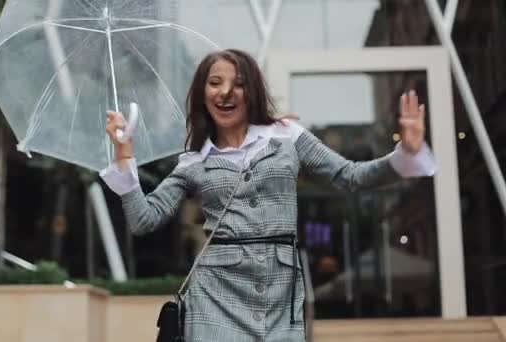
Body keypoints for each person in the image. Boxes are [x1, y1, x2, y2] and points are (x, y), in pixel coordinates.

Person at [100, 49, 435, 341]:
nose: (226, 92)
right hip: (216, 294)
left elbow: (349, 175)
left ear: (253, 91)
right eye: (215, 83)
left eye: (238, 83)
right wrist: (124, 156)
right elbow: (144, 219)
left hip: (280, 293)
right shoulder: (194, 159)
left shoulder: (287, 136)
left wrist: (405, 152)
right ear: (202, 93)